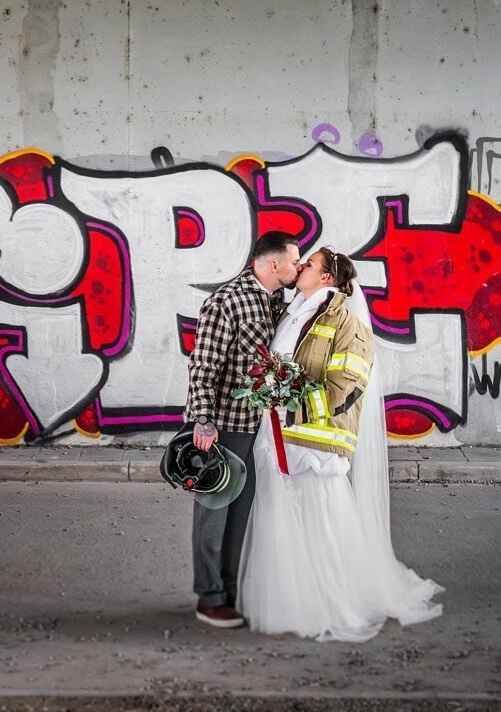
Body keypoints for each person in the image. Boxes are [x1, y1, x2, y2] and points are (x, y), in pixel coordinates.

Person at [239, 248, 443, 641]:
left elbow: (344, 389)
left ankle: (334, 602)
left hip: (314, 443)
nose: (301, 268)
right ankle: (289, 603)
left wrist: (289, 403)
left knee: (321, 522)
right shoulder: (292, 312)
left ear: (328, 278)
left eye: (309, 264)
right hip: (275, 437)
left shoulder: (348, 324)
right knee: (280, 520)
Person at [184, 231, 301, 628]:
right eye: (293, 261)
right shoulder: (226, 301)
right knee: (214, 513)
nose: (297, 267)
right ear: (273, 265)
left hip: (259, 430)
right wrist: (203, 420)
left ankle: (230, 594)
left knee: (240, 516)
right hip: (224, 429)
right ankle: (210, 598)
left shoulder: (276, 301)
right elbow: (203, 366)